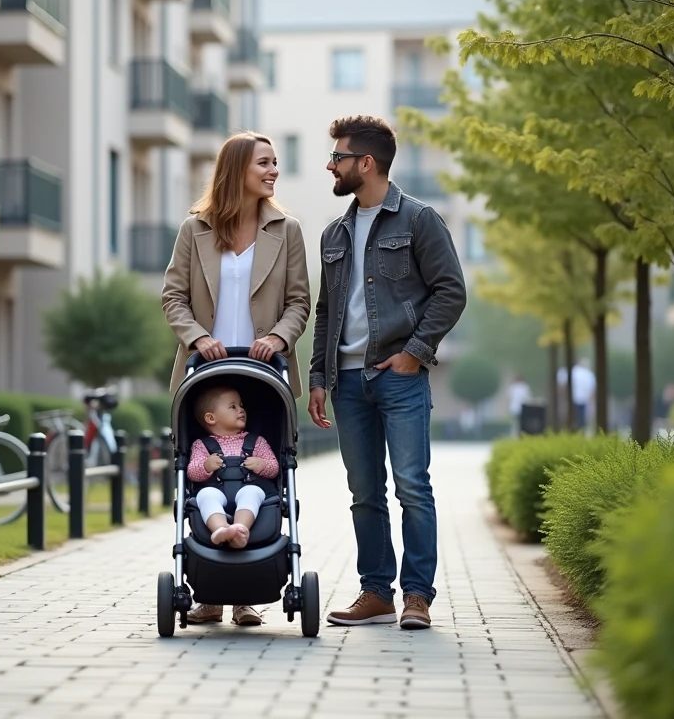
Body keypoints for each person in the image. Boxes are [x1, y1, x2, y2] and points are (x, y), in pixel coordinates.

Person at [307, 115, 467, 630]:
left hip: (399, 376)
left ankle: (416, 595)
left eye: (338, 157)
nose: (330, 165)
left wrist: (415, 352)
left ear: (366, 163)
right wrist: (318, 377)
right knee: (364, 492)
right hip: (347, 383)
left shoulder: (419, 220)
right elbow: (327, 312)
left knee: (412, 486)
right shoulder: (335, 232)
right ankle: (376, 591)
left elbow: (451, 291)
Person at [163, 131, 311, 627]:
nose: (273, 171)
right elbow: (173, 297)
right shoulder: (195, 229)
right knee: (204, 478)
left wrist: (282, 339)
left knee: (254, 476)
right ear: (237, 170)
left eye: (275, 163)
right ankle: (208, 592)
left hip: (263, 369)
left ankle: (245, 594)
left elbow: (298, 302)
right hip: (206, 368)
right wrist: (198, 336)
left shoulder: (286, 229)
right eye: (264, 163)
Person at [187, 386, 279, 549]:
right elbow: (192, 472)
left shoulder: (257, 442)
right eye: (233, 406)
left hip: (248, 486)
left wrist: (261, 464)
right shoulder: (202, 446)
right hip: (216, 489)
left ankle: (240, 529)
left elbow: (274, 468)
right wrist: (206, 465)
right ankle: (220, 529)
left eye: (241, 405)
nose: (241, 410)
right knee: (205, 495)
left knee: (252, 492)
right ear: (211, 418)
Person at [557, 358, 596, 431]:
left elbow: (562, 385)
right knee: (581, 421)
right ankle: (580, 432)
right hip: (583, 401)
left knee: (571, 419)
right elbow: (591, 391)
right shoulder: (589, 374)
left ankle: (572, 430)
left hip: (572, 400)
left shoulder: (571, 371)